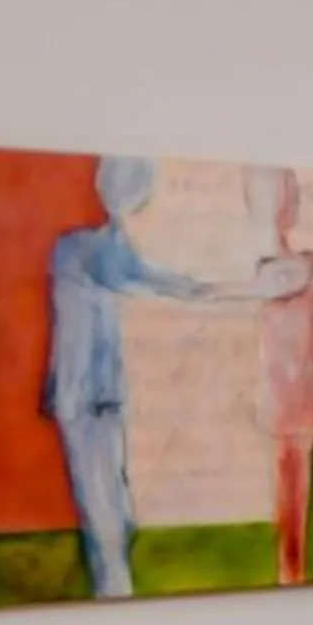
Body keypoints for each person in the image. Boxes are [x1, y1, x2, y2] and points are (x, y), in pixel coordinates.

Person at [43, 155, 224, 599]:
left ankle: (114, 582)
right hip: (82, 394)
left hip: (101, 394)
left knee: (115, 505)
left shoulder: (97, 246)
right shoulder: (89, 249)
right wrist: (226, 291)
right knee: (104, 505)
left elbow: (149, 278)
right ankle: (113, 590)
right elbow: (155, 283)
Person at [244, 166, 313, 586]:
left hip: (295, 402)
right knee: (283, 505)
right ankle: (289, 577)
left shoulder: (304, 267)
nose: (274, 205)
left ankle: (291, 577)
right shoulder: (274, 266)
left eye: (278, 195)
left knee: (292, 508)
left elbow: (258, 285)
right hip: (277, 402)